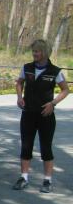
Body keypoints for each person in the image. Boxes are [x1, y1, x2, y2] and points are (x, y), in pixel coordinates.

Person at [13, 39, 69, 193]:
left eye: (36, 51)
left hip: (46, 116)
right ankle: (24, 177)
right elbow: (19, 83)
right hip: (28, 114)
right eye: (33, 51)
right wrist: (19, 97)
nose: (34, 54)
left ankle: (47, 180)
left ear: (44, 53)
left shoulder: (55, 71)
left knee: (46, 148)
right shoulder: (27, 68)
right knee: (26, 146)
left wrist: (53, 103)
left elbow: (65, 90)